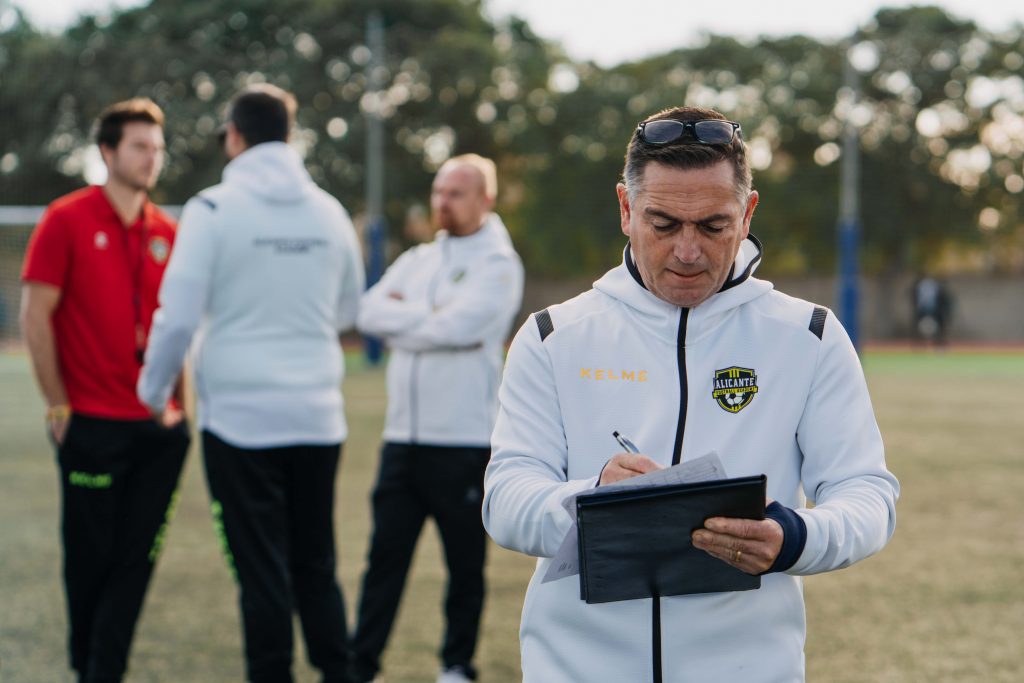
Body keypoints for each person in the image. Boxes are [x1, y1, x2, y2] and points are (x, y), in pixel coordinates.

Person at [482, 106, 900, 682]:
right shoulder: (553, 335)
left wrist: (794, 538)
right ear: (626, 209)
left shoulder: (810, 335)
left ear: (747, 213)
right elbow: (505, 499)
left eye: (712, 226)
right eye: (663, 225)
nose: (687, 250)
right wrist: (591, 501)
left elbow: (867, 494)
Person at [137, 84, 365, 683]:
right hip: (318, 416)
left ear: (234, 136)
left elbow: (176, 317)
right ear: (289, 134)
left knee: (261, 573)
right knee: (316, 563)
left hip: (238, 421)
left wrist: (151, 393)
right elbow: (349, 309)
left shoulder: (212, 209)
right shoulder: (330, 211)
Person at [20, 97, 189, 683]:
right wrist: (58, 404)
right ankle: (88, 665)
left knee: (136, 559)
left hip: (159, 431)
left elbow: (178, 326)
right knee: (89, 558)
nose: (152, 158)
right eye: (140, 146)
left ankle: (103, 671)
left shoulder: (168, 232)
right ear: (108, 152)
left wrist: (181, 409)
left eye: (157, 148)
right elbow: (35, 316)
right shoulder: (65, 219)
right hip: (90, 422)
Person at [350, 154, 524, 683]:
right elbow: (368, 313)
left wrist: (407, 323)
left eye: (456, 193)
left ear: (485, 199)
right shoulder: (418, 259)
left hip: (463, 442)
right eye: (438, 191)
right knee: (384, 561)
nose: (442, 202)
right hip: (402, 440)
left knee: (464, 565)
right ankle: (360, 666)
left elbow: (460, 329)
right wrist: (430, 319)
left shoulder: (498, 264)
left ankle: (456, 665)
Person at [912, 274, 953, 347]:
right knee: (920, 327)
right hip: (924, 310)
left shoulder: (938, 288)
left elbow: (944, 299)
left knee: (939, 328)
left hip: (935, 310)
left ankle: (938, 343)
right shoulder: (920, 288)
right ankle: (920, 344)